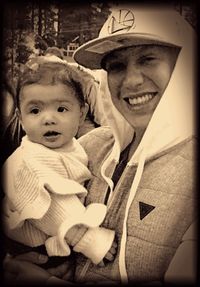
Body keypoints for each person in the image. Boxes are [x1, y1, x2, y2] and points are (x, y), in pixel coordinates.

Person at [3, 4, 197, 286]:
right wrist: (36, 261)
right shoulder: (88, 147)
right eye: (116, 65)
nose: (131, 80)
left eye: (148, 59)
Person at [2, 56, 116, 274]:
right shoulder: (27, 160)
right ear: (21, 118)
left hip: (56, 246)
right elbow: (50, 209)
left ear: (81, 114)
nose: (48, 119)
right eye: (35, 111)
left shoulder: (74, 147)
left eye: (61, 109)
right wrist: (89, 239)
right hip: (34, 246)